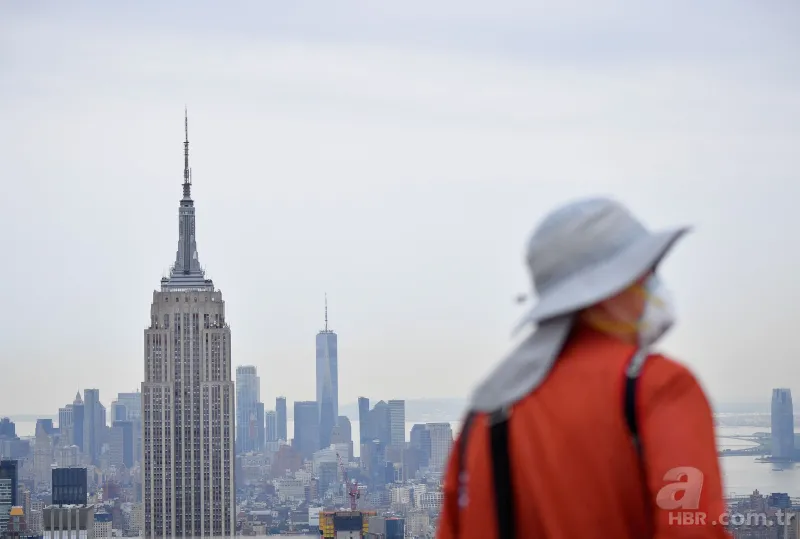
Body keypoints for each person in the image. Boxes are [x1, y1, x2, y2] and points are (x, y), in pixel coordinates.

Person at [437, 197, 729, 539]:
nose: (653, 287)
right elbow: (694, 530)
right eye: (645, 274)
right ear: (610, 290)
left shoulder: (485, 414)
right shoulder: (657, 386)